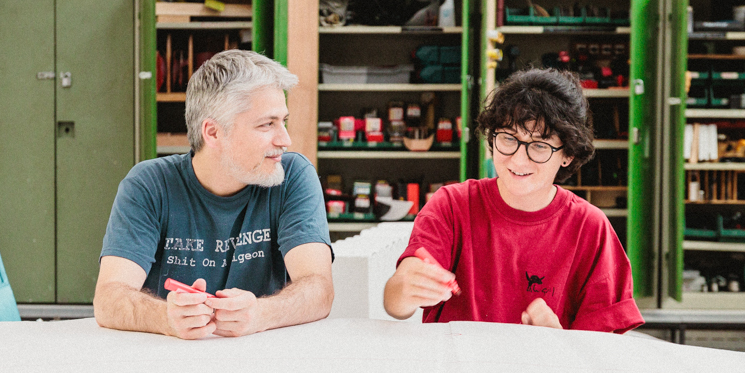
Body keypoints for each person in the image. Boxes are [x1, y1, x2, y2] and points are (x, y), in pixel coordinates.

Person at [95, 49, 333, 340]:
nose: (285, 139)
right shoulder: (149, 184)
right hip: (171, 357)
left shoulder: (292, 175)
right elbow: (108, 299)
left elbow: (319, 289)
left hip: (263, 356)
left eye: (283, 121)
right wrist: (165, 318)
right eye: (267, 124)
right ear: (213, 133)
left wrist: (262, 314)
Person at [383, 67, 643, 332]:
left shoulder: (590, 228)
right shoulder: (451, 205)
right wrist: (404, 289)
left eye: (539, 145)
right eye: (508, 138)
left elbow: (603, 345)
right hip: (457, 358)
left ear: (568, 154)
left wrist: (559, 340)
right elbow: (395, 302)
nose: (518, 160)